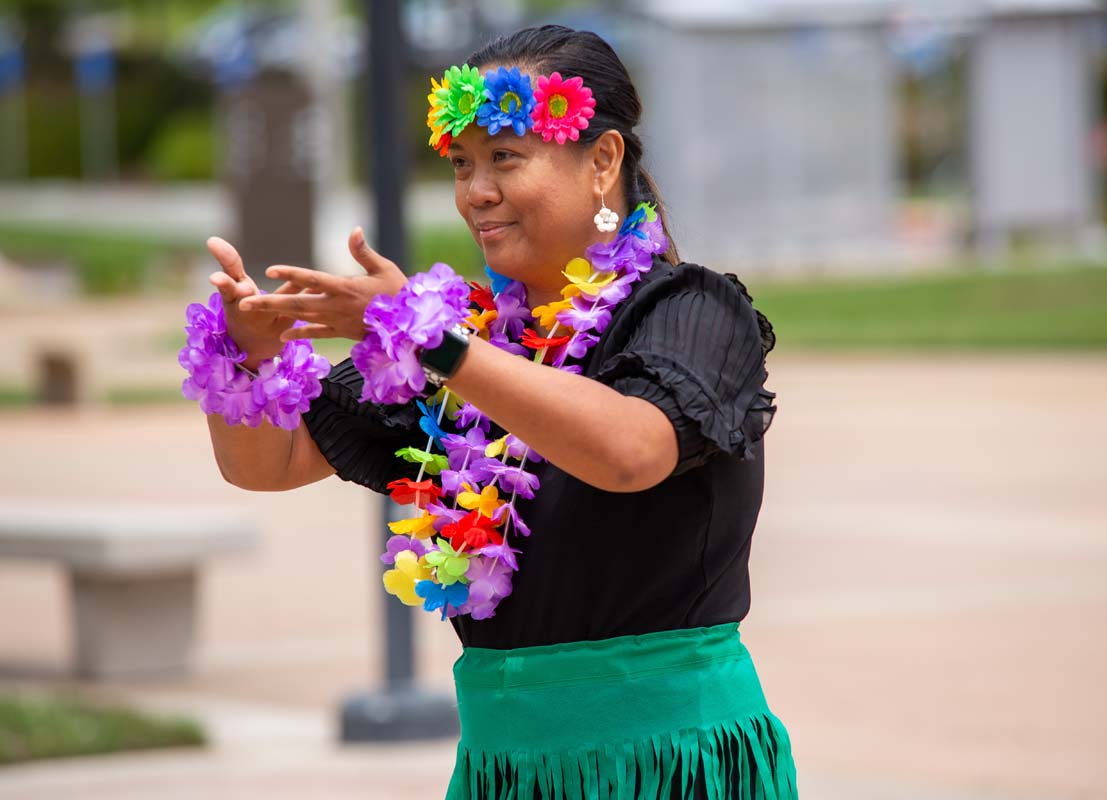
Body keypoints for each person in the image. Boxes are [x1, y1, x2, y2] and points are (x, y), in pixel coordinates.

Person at [198, 23, 795, 800]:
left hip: (669, 763)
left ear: (603, 161)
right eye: (461, 164)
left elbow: (630, 450)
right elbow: (266, 463)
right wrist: (246, 353)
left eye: (505, 158)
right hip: (505, 773)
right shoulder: (463, 338)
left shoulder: (690, 310)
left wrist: (435, 344)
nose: (476, 191)